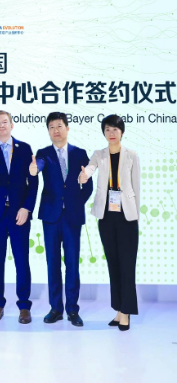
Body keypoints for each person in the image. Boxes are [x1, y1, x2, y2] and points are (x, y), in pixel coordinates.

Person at [30, 112, 93, 326]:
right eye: (51, 127)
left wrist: (76, 203)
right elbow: (38, 165)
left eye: (59, 126)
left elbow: (88, 184)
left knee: (72, 263)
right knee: (53, 263)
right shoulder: (43, 153)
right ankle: (56, 308)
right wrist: (34, 169)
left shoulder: (80, 153)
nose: (55, 130)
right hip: (51, 216)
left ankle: (72, 310)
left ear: (67, 128)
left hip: (72, 217)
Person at [79, 114, 140, 331]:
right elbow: (90, 168)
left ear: (121, 131)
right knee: (113, 264)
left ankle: (126, 312)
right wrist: (84, 176)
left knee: (127, 265)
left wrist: (135, 216)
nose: (111, 133)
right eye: (107, 129)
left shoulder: (132, 155)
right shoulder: (99, 154)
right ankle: (119, 310)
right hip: (106, 216)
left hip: (127, 216)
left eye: (115, 129)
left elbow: (136, 187)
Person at [0, 110, 38, 324]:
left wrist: (27, 208)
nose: (2, 125)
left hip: (18, 213)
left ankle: (24, 306)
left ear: (12, 125)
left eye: (5, 122)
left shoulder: (25, 149)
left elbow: (33, 182)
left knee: (21, 259)